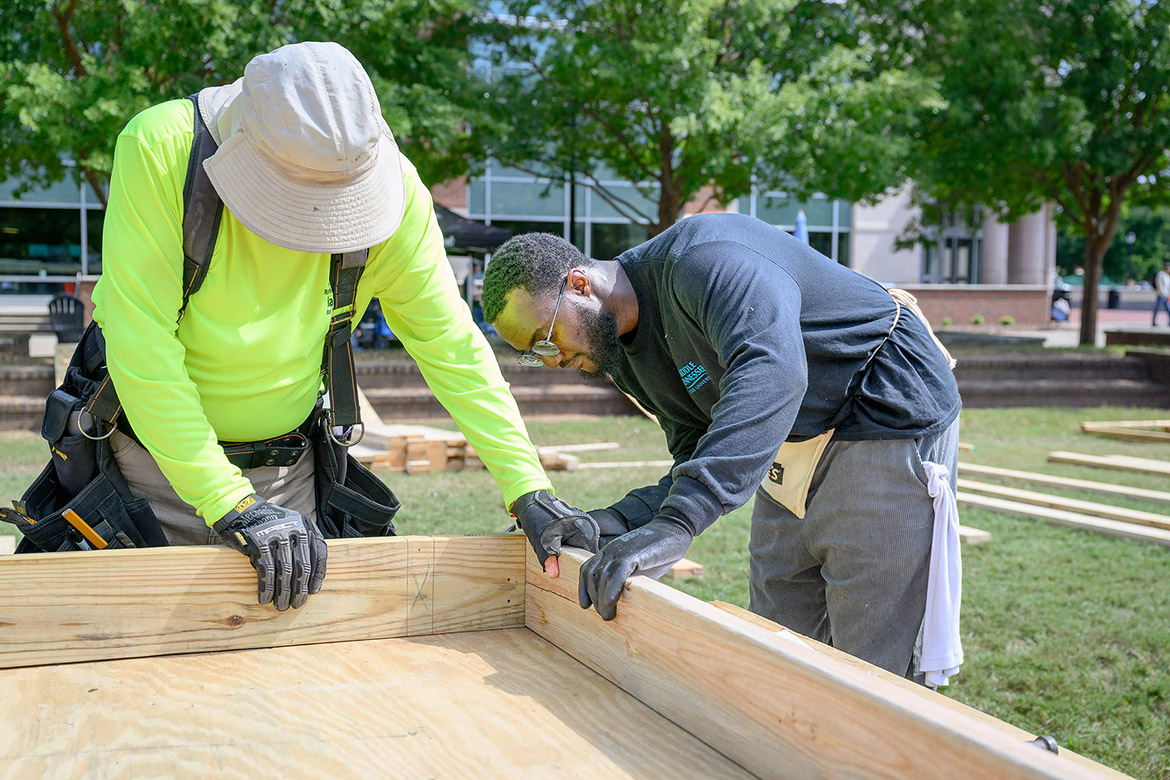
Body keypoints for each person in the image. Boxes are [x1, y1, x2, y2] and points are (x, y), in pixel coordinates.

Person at [89, 42, 596, 610]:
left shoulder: (399, 196)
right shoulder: (162, 149)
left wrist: (527, 486)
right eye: (296, 202)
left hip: (288, 476)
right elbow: (142, 345)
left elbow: (450, 346)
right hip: (148, 472)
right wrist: (229, 501)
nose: (313, 225)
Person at [481, 214, 964, 685]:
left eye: (546, 339)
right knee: (780, 639)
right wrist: (617, 521)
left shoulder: (703, 260)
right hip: (792, 433)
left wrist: (678, 523)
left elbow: (773, 374)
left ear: (580, 284)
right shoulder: (621, 352)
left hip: (878, 406)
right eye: (535, 356)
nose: (555, 360)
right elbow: (697, 444)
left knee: (871, 662)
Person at [1153, 261, 1170, 325]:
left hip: (1166, 295)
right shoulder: (1161, 274)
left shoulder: (1167, 276)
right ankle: (1153, 321)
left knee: (1168, 309)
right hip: (1161, 295)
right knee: (1157, 309)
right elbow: (1160, 285)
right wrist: (1164, 294)